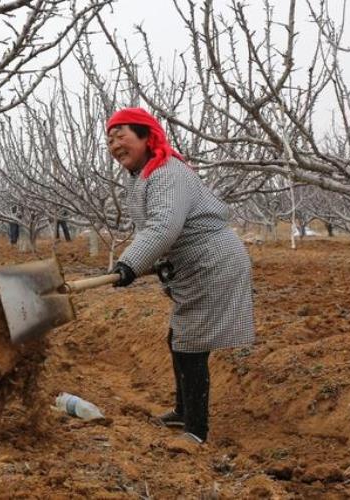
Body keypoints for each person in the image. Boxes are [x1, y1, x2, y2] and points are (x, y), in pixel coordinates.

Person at [105, 107, 255, 445]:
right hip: (195, 264)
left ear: (146, 136)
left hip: (212, 263)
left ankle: (196, 430)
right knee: (178, 338)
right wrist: (129, 265)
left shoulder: (167, 172)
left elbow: (164, 226)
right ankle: (182, 410)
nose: (115, 145)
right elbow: (154, 230)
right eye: (110, 139)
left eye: (121, 136)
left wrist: (129, 264)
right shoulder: (146, 175)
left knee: (190, 344)